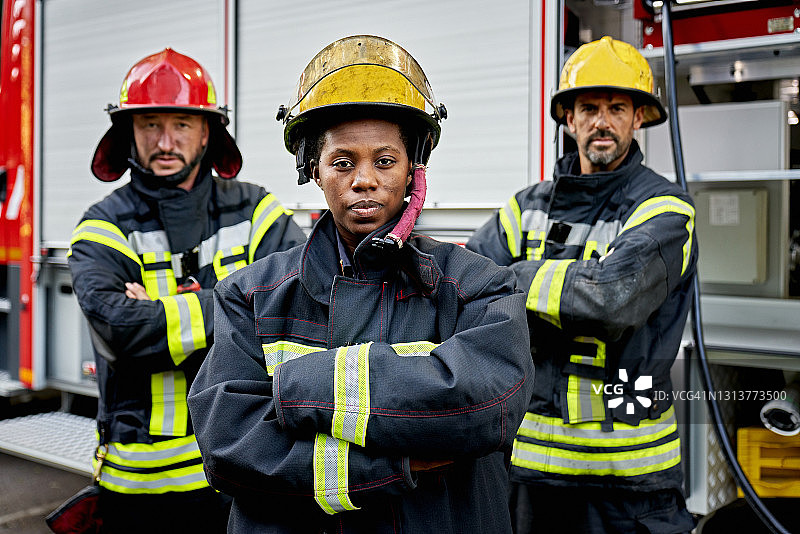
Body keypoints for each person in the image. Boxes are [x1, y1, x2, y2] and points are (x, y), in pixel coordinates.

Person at [187, 35, 535, 533]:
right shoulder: (251, 295)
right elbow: (229, 448)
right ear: (314, 170)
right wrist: (391, 465)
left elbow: (485, 407)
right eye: (343, 161)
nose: (364, 179)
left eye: (385, 161)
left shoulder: (479, 287)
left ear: (413, 169)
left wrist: (296, 388)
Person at [467, 36, 698, 534]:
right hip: (528, 471)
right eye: (589, 107)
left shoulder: (663, 209)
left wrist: (511, 281)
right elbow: (465, 290)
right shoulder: (525, 206)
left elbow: (611, 300)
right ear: (568, 118)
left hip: (626, 480)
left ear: (639, 119)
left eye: (617, 108)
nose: (602, 121)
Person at [67, 48, 305, 533]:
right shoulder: (101, 225)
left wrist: (164, 312)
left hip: (242, 465)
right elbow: (121, 332)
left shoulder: (258, 211)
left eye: (181, 123)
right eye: (150, 124)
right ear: (128, 134)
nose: (165, 140)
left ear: (207, 132)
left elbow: (299, 306)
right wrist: (239, 304)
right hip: (138, 483)